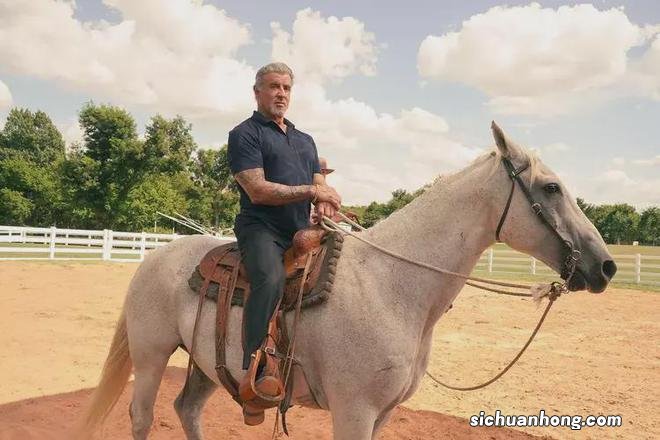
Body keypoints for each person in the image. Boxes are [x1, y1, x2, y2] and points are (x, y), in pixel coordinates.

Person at [227, 62, 342, 386]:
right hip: (261, 228)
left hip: (300, 228)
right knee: (270, 277)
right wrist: (312, 190)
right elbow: (257, 190)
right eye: (274, 86)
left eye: (286, 88)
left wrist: (324, 199)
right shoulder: (244, 135)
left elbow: (317, 177)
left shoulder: (304, 140)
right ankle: (255, 364)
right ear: (257, 92)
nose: (281, 93)